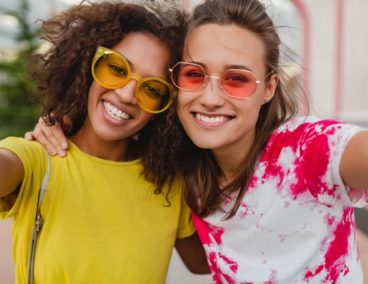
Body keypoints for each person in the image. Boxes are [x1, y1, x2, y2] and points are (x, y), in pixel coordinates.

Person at [27, 0, 368, 283]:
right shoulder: (181, 168)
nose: (210, 98)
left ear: (269, 87)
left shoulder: (310, 148)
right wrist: (67, 121)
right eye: (194, 74)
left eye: (236, 79)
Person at [0, 1, 209, 283]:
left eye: (152, 88)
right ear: (87, 66)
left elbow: (206, 263)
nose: (128, 95)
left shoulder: (167, 182)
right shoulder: (38, 158)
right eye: (117, 69)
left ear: (167, 107)